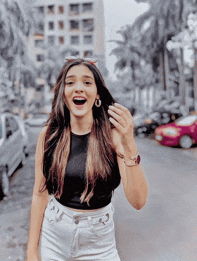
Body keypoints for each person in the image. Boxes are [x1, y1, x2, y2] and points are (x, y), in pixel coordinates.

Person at [26, 57, 148, 261]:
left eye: (87, 82)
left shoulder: (113, 136)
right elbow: (39, 195)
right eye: (70, 82)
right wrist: (31, 251)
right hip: (54, 236)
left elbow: (138, 201)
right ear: (63, 94)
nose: (78, 88)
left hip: (99, 245)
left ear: (97, 94)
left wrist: (129, 144)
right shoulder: (49, 135)